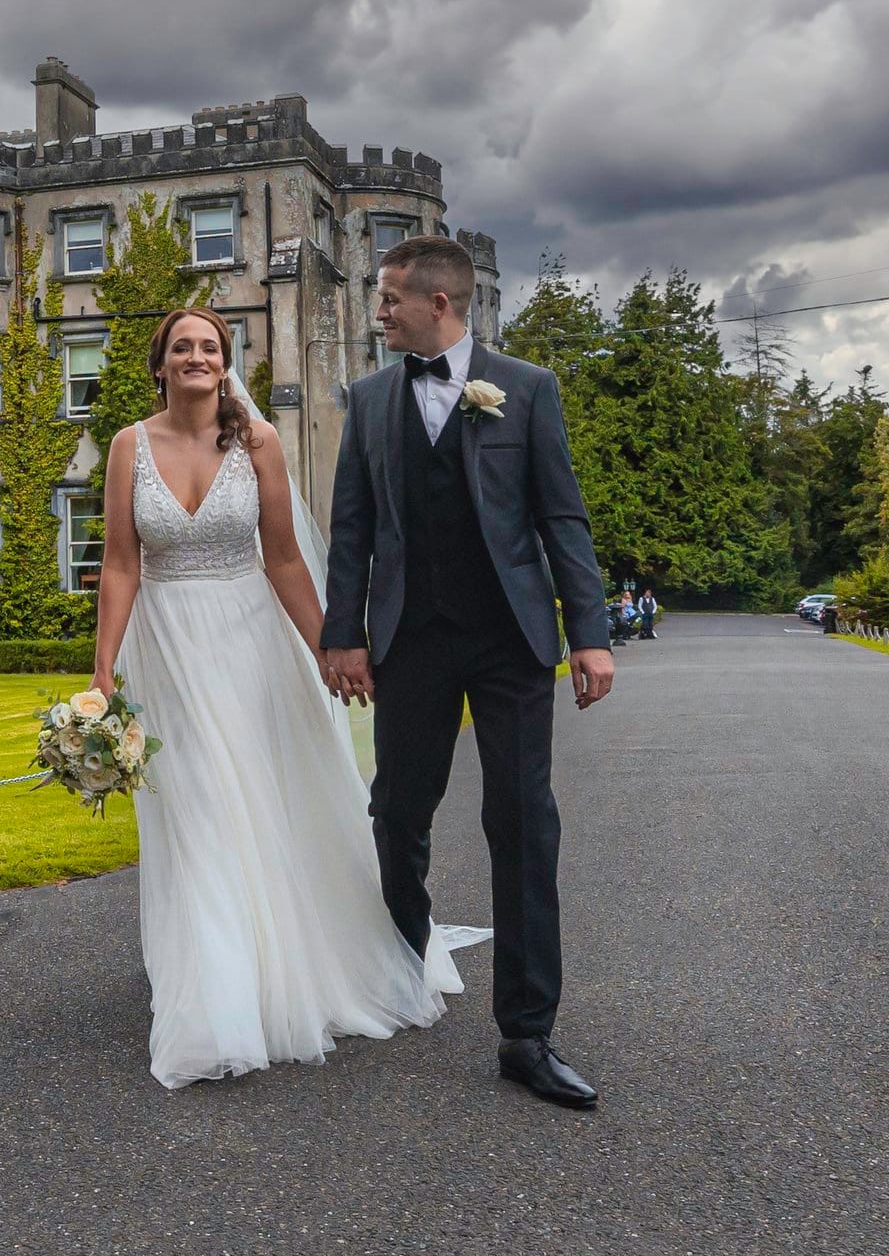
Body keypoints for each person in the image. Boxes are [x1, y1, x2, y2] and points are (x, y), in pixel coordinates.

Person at [89, 308, 488, 1089]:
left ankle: (276, 968)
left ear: (225, 362)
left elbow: (284, 562)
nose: (197, 356)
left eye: (210, 346)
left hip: (251, 644)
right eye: (182, 347)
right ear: (160, 366)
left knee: (260, 799)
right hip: (168, 651)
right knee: (197, 807)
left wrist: (330, 648)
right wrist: (103, 672)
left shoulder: (259, 442)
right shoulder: (128, 446)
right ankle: (218, 996)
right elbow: (120, 565)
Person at [321, 235, 614, 1110]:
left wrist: (589, 633)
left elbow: (562, 517)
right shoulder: (369, 399)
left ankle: (527, 1032)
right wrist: (343, 636)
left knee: (522, 821)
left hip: (509, 641)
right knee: (397, 812)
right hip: (409, 640)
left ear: (438, 304)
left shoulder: (527, 387)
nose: (378, 313)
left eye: (388, 298)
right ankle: (405, 966)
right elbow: (351, 529)